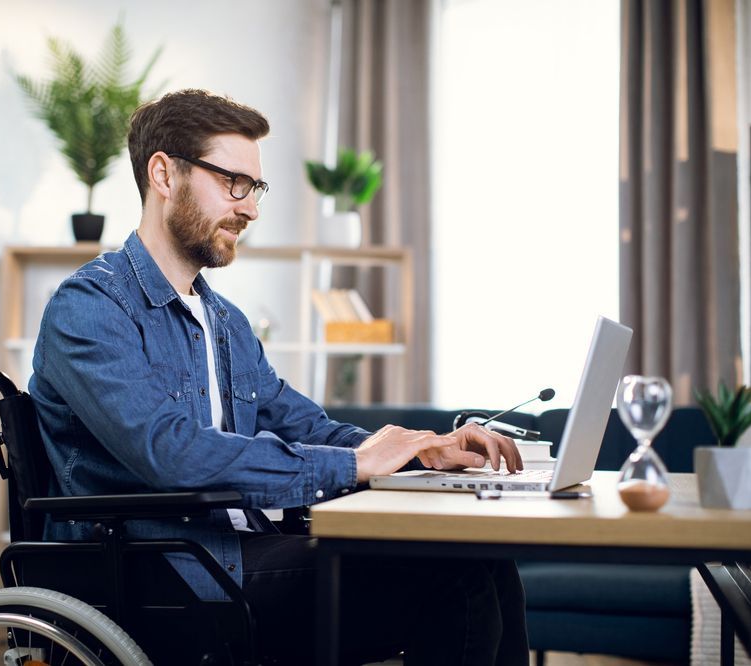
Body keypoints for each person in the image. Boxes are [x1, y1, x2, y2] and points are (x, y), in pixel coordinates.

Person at [29, 88, 528, 665]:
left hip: (240, 552)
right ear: (164, 174)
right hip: (162, 573)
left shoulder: (225, 322)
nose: (250, 208)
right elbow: (171, 452)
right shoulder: (90, 307)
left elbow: (303, 424)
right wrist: (355, 464)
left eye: (255, 188)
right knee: (456, 581)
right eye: (232, 183)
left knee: (488, 560)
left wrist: (421, 448)